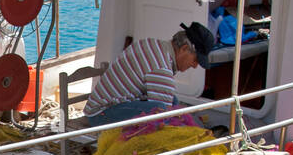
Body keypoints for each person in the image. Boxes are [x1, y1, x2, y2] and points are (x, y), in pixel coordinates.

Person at [83, 23, 215, 128]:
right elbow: (163, 116)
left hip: (106, 105)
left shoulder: (153, 44)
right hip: (100, 115)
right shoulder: (162, 68)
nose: (195, 65)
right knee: (162, 110)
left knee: (172, 101)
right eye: (196, 59)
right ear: (184, 49)